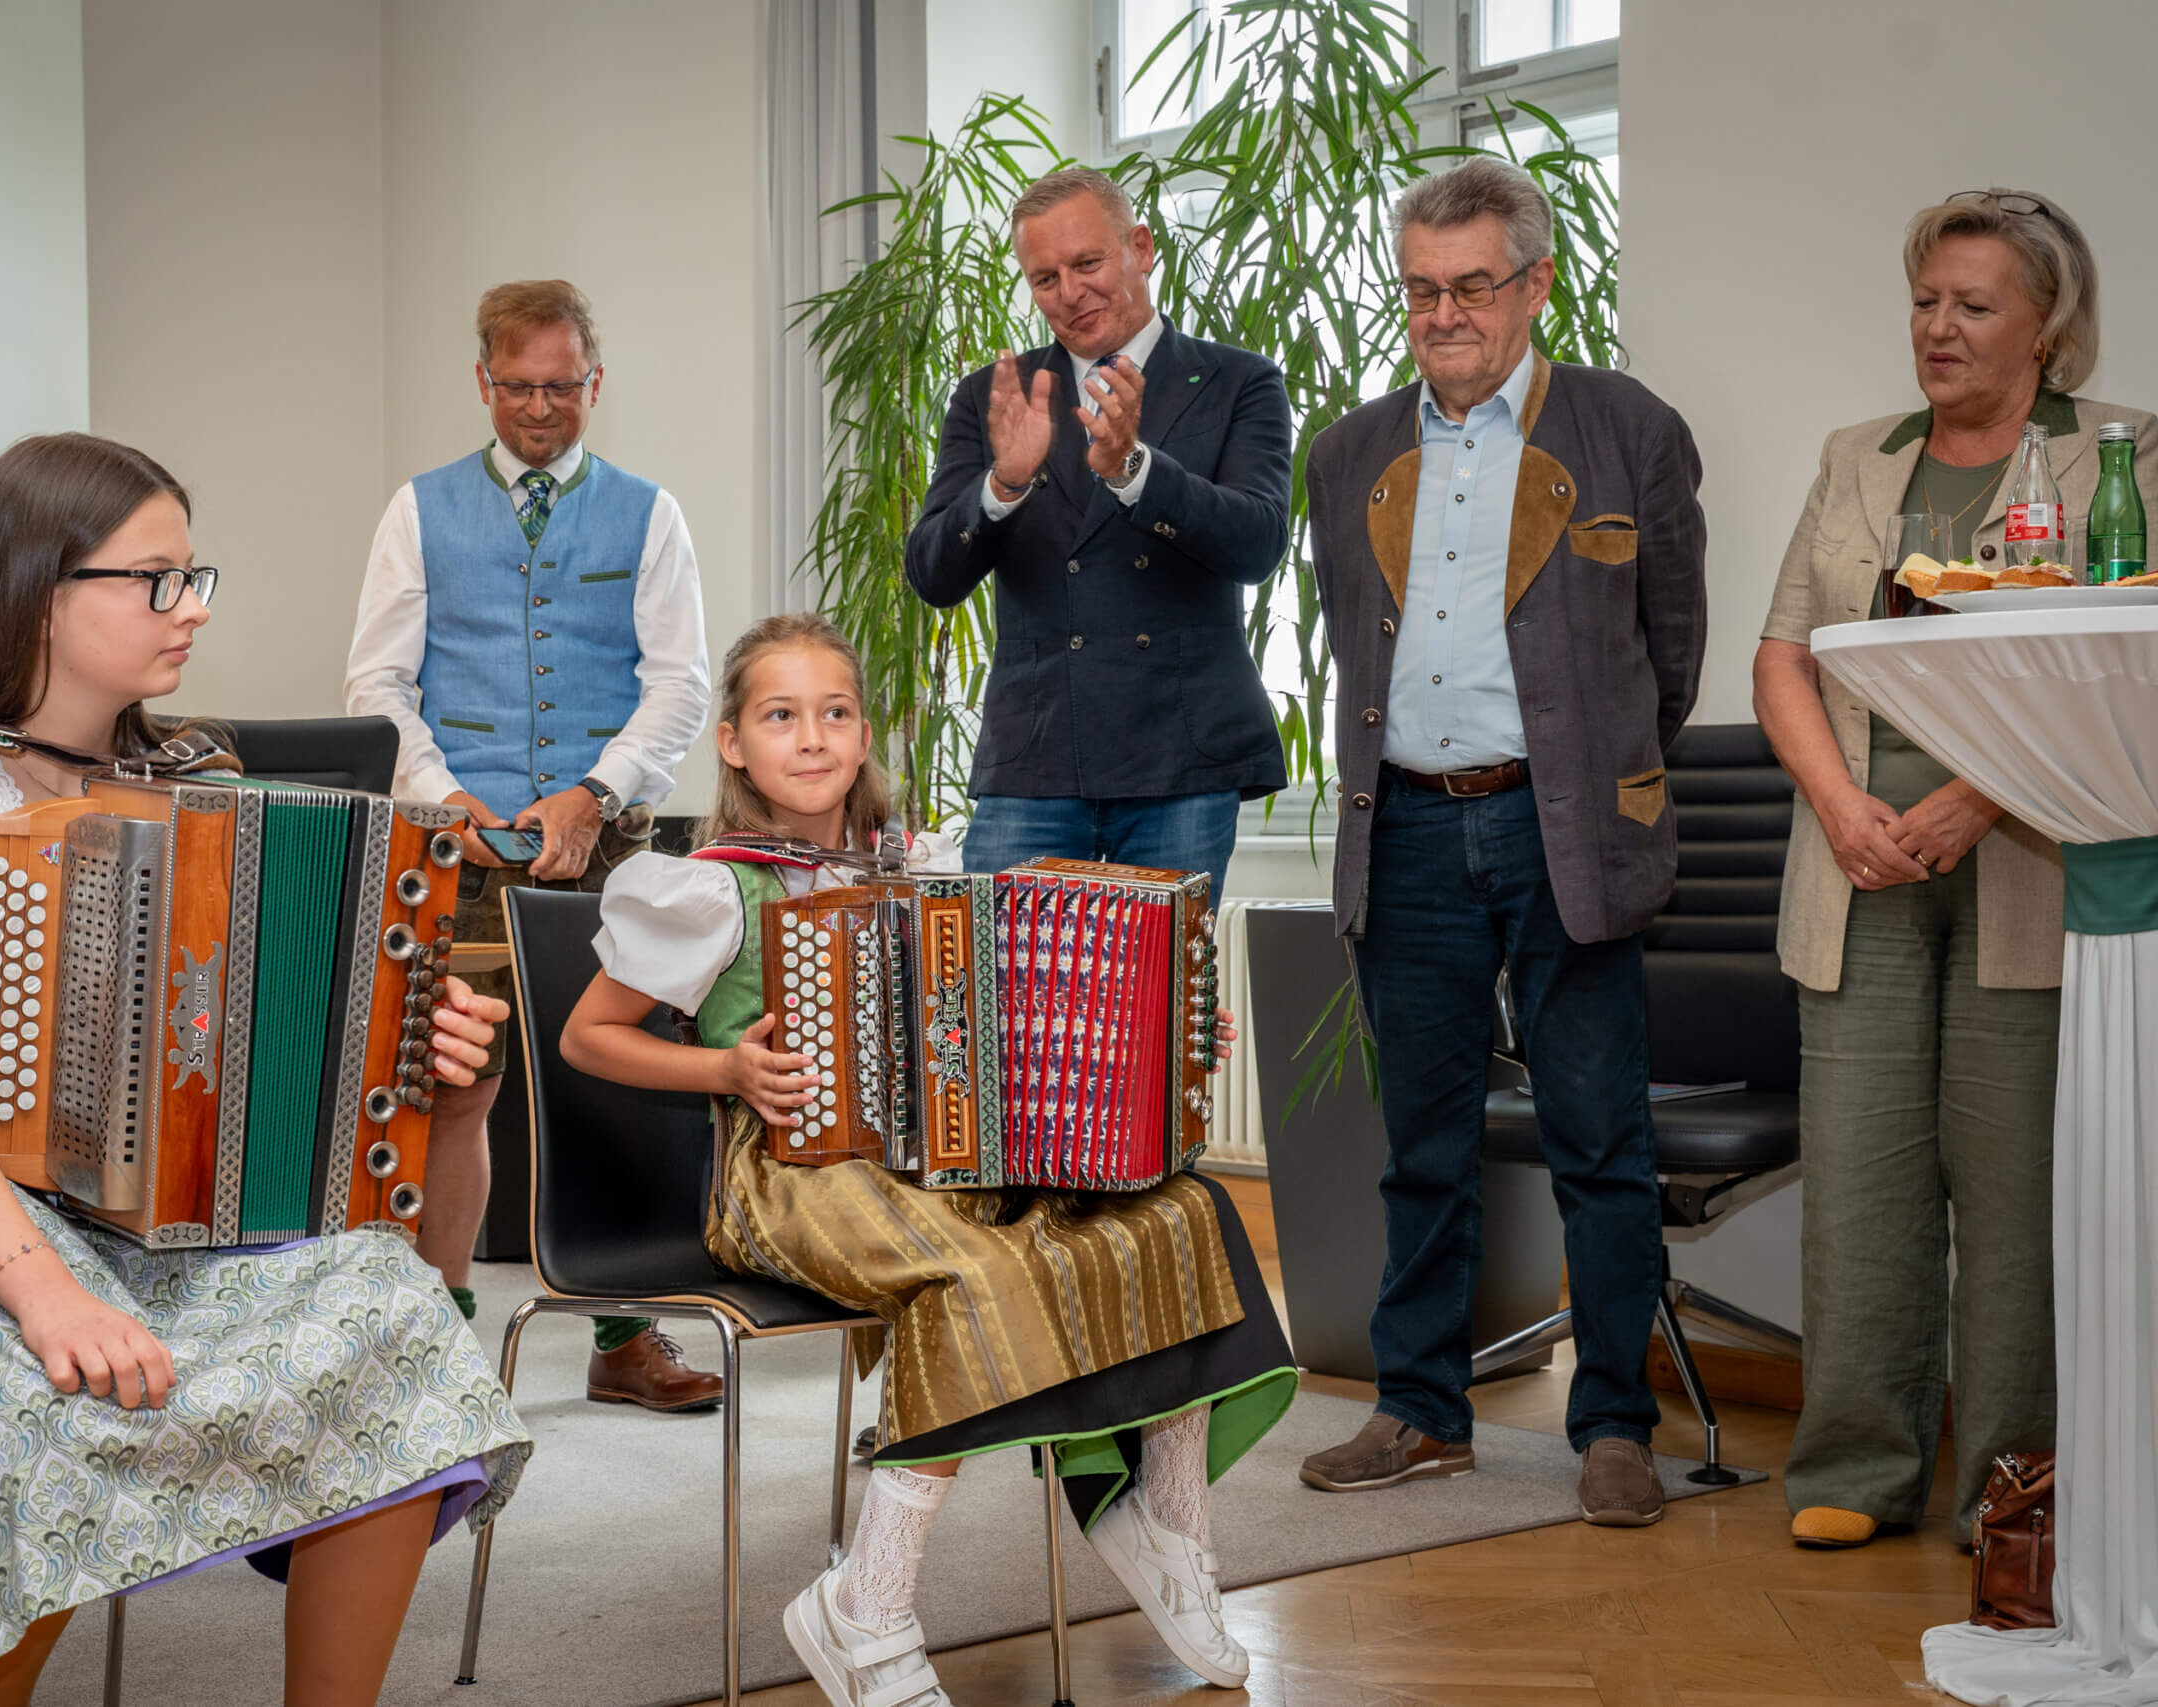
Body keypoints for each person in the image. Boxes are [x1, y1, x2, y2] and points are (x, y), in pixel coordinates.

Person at [0, 433, 531, 1703]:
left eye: (196, 576)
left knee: (392, 1322)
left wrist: (440, 1095)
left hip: (179, 1219)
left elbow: (272, 1095)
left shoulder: (201, 777)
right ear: (40, 587)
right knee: (44, 1415)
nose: (189, 610)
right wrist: (44, 1296)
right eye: (155, 579)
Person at [560, 611, 1296, 1707]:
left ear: (862, 735)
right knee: (975, 1274)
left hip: (938, 1158)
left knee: (1177, 1199)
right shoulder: (709, 885)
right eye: (780, 716)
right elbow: (587, 1036)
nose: (811, 738)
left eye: (834, 713)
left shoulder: (924, 868)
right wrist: (727, 1074)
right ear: (732, 743)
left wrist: (1171, 1030)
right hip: (786, 1175)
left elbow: (1029, 1013)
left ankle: (1163, 1512)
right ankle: (867, 1601)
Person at [1294, 156, 1708, 1526]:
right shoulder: (1348, 453)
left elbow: (1668, 654)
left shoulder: (1630, 431)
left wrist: (1585, 775)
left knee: (1599, 1135)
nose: (1445, 312)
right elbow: (1355, 647)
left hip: (1562, 829)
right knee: (1424, 1141)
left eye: (1473, 283)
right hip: (1406, 827)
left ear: (1535, 283)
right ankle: (1420, 1409)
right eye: (1421, 287)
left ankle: (1614, 1425)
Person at [1754, 189, 2156, 1551]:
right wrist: (1840, 801)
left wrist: (1977, 800)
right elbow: (1784, 654)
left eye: (1974, 305)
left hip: (2029, 859)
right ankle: (1855, 1467)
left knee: (2013, 1192)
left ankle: (2013, 1490)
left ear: (2049, 329)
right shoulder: (1856, 453)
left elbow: (2120, 664)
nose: (1938, 326)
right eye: (1926, 298)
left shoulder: (2126, 455)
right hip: (1856, 857)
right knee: (1861, 1181)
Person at [344, 279, 719, 1412]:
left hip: (606, 849)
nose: (540, 410)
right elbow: (376, 681)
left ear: (592, 383)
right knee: (454, 1091)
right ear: (483, 383)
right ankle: (439, 1335)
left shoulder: (650, 514)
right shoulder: (417, 510)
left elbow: (681, 685)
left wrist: (594, 793)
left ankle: (624, 1336)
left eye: (561, 388)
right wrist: (441, 793)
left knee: (619, 1083)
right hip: (453, 848)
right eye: (519, 388)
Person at [903, 166, 1292, 903]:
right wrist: (1003, 484)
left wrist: (1135, 470)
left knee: (1161, 1006)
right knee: (1007, 1003)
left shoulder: (1241, 381)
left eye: (1087, 264)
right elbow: (932, 573)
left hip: (1181, 760)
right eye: (1044, 277)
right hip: (1033, 760)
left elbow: (1258, 540)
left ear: (1140, 247)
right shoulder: (997, 393)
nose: (1070, 293)